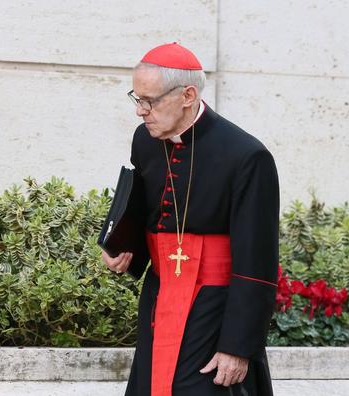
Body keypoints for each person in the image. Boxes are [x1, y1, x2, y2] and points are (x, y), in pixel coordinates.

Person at [102, 42, 279, 396]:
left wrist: (237, 345)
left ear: (187, 95)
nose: (140, 111)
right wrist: (122, 245)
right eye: (136, 98)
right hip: (159, 293)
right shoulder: (145, 139)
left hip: (214, 305)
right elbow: (143, 209)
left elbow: (257, 262)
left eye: (149, 101)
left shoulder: (247, 156)